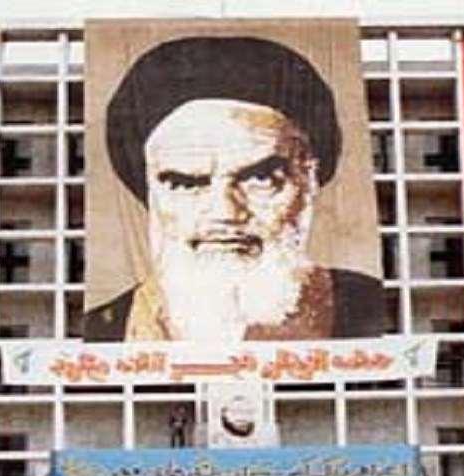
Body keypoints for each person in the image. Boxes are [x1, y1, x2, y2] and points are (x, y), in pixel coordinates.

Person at [85, 36, 384, 342]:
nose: (225, 212)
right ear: (151, 192)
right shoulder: (102, 334)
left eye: (261, 179)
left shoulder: (376, 312)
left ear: (309, 181)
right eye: (185, 183)